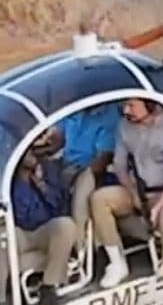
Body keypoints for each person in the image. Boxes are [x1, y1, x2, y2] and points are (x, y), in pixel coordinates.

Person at [89, 98, 163, 305]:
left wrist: (158, 207)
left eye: (132, 105)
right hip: (137, 189)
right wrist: (132, 192)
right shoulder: (124, 127)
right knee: (99, 199)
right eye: (124, 105)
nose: (126, 110)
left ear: (149, 105)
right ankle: (117, 263)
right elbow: (120, 166)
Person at [40, 103, 121, 249]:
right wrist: (40, 149)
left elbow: (103, 159)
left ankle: (80, 246)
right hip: (64, 164)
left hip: (89, 169)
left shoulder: (109, 115)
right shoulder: (75, 106)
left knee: (83, 182)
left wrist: (73, 175)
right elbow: (58, 139)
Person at [9, 148, 78, 305]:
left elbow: (60, 207)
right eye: (27, 153)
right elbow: (21, 218)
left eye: (33, 151)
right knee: (3, 242)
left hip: (46, 231)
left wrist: (41, 186)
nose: (33, 156)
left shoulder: (48, 170)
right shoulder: (11, 184)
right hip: (22, 234)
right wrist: (24, 182)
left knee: (65, 225)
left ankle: (49, 285)